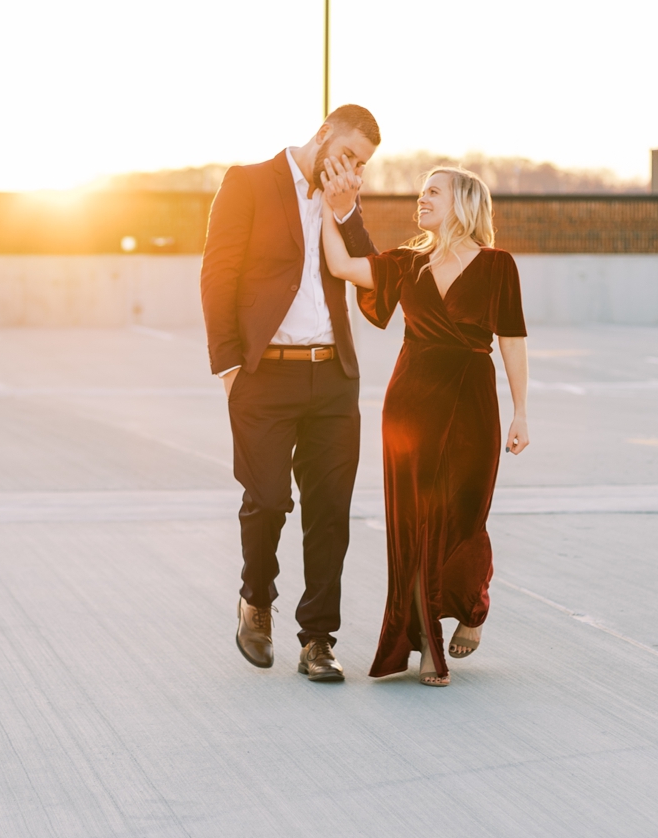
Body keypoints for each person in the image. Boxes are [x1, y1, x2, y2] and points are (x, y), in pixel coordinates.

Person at [319, 164, 529, 685]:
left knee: (464, 514)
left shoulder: (498, 265)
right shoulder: (406, 264)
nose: (423, 198)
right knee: (413, 523)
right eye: (422, 191)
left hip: (472, 402)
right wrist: (327, 204)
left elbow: (513, 340)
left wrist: (522, 410)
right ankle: (426, 646)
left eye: (434, 191)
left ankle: (470, 610)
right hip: (410, 403)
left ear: (463, 202)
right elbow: (344, 265)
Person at [200, 106, 382, 683]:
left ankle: (318, 640)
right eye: (348, 155)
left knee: (330, 513)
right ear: (324, 133)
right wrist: (230, 368)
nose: (351, 169)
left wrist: (346, 213)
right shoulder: (248, 182)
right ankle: (256, 600)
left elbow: (376, 294)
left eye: (362, 165)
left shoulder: (343, 202)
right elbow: (218, 275)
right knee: (268, 498)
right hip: (264, 376)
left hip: (332, 378)